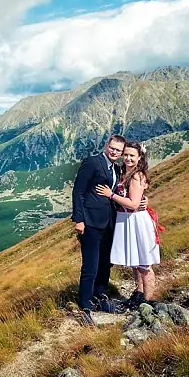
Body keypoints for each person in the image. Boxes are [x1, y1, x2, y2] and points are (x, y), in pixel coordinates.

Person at [96, 140, 162, 307]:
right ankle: (139, 293)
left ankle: (148, 302)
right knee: (136, 261)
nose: (127, 158)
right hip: (126, 220)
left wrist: (110, 195)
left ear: (139, 157)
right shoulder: (124, 172)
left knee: (144, 264)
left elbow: (133, 203)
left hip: (135, 221)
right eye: (125, 154)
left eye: (132, 155)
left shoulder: (137, 176)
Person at [71, 134, 126, 326]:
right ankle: (85, 305)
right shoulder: (92, 163)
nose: (114, 152)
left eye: (118, 150)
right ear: (106, 146)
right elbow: (78, 191)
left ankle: (100, 296)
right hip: (91, 223)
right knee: (91, 266)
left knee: (105, 263)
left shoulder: (117, 168)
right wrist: (78, 219)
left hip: (109, 223)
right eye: (112, 148)